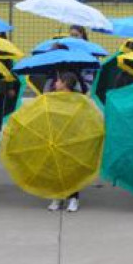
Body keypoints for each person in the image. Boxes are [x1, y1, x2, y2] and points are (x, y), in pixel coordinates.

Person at [47, 72, 83, 213]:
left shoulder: (78, 100)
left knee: (71, 169)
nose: (55, 83)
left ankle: (73, 198)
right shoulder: (52, 98)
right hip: (55, 137)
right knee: (56, 168)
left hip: (72, 139)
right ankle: (57, 196)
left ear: (65, 83)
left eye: (58, 81)